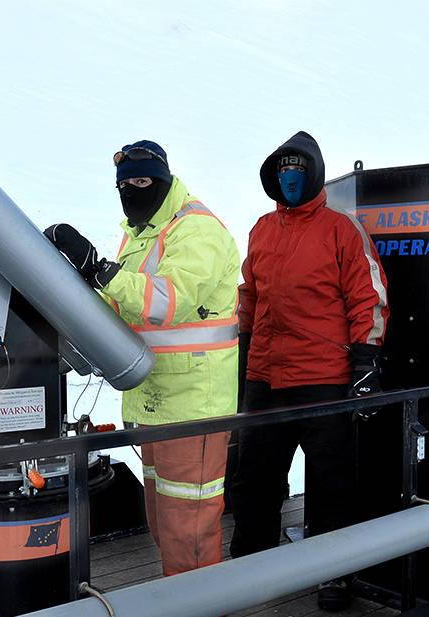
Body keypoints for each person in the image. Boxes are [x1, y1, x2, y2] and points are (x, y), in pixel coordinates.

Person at [44, 140, 240, 576]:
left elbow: (170, 301)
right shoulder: (141, 234)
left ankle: (201, 605)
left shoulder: (196, 229)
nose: (132, 190)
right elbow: (125, 307)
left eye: (142, 181)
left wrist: (100, 270)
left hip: (193, 409)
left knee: (189, 532)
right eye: (125, 184)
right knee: (163, 524)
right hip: (156, 399)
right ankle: (182, 600)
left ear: (164, 182)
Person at [228, 131, 388, 611]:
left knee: (330, 481)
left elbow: (369, 295)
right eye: (282, 168)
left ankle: (332, 574)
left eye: (297, 168)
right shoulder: (261, 229)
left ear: (315, 172)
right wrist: (242, 350)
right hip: (265, 377)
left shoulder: (341, 229)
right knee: (254, 478)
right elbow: (249, 296)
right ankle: (251, 565)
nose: (289, 176)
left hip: (323, 377)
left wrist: (366, 361)